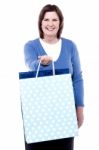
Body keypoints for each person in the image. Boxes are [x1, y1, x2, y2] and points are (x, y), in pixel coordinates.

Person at [24, 4, 84, 150]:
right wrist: (41, 63)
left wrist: (80, 109)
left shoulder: (70, 46)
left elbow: (77, 78)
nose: (50, 24)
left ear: (60, 23)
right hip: (37, 114)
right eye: (46, 19)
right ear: (40, 22)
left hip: (65, 112)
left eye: (54, 20)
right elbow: (30, 64)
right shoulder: (31, 46)